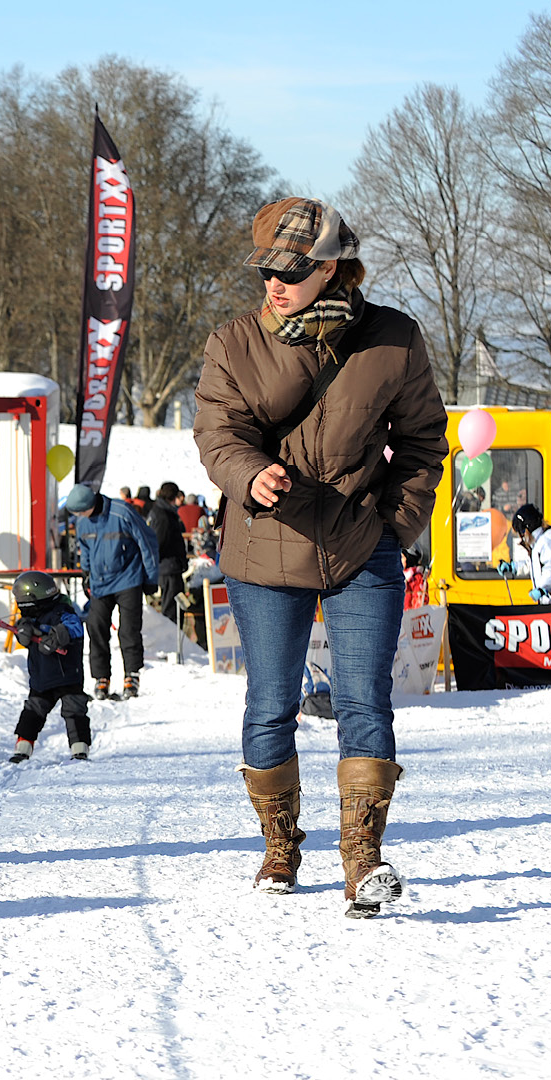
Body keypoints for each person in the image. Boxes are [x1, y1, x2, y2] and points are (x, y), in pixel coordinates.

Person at [193, 196, 448, 917]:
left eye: (294, 269)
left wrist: (395, 523)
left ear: (331, 267)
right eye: (267, 269)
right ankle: (280, 845)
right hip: (266, 546)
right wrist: (249, 473)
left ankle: (363, 860)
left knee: (365, 700)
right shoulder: (234, 341)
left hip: (362, 545)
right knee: (272, 703)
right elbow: (218, 434)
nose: (276, 282)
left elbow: (425, 442)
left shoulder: (393, 338)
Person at [63, 482, 159, 700]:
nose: (79, 516)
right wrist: (86, 574)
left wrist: (151, 578)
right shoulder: (82, 522)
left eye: (81, 511)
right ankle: (101, 677)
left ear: (91, 504)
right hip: (100, 583)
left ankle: (131, 675)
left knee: (128, 629)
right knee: (96, 627)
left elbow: (147, 541)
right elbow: (85, 549)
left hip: (128, 578)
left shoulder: (122, 512)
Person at [5, 570, 90, 763]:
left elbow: (74, 627)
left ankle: (80, 749)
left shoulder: (63, 611)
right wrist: (23, 632)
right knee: (33, 712)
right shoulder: (30, 616)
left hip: (67, 675)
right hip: (42, 677)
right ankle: (22, 748)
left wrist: (56, 635)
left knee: (74, 711)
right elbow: (24, 629)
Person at [148, 483, 188, 626]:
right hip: (168, 567)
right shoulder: (164, 515)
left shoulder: (161, 511)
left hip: (168, 566)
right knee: (172, 610)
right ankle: (172, 640)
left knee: (172, 606)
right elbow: (159, 542)